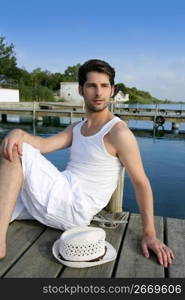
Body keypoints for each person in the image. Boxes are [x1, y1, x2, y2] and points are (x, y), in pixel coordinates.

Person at [0, 59, 174, 267]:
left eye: (104, 86)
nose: (98, 93)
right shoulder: (77, 128)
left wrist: (150, 233)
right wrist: (18, 132)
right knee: (8, 185)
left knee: (14, 152)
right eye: (92, 86)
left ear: (112, 90)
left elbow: (141, 183)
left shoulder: (118, 132)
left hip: (74, 206)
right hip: (60, 198)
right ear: (81, 90)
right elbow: (43, 145)